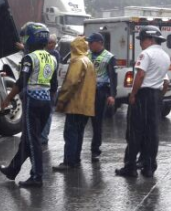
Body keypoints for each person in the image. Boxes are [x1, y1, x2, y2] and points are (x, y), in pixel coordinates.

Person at [0, 23, 57, 187]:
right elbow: (53, 85)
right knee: (28, 139)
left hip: (32, 100)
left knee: (33, 141)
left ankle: (37, 176)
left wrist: (8, 98)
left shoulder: (29, 58)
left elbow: (21, 82)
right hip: (46, 101)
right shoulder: (52, 58)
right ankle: (13, 169)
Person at [116, 26, 170, 178]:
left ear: (150, 39)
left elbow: (140, 75)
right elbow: (166, 83)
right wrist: (159, 97)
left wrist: (133, 94)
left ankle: (130, 167)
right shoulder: (165, 56)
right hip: (156, 96)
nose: (140, 44)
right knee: (152, 133)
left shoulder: (146, 54)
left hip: (143, 95)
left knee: (134, 132)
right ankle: (149, 167)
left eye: (142, 40)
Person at [53, 36, 95, 171]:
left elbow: (71, 83)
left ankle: (68, 161)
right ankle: (75, 160)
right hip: (86, 106)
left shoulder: (77, 61)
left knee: (70, 134)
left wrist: (61, 100)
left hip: (75, 105)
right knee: (79, 133)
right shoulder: (88, 61)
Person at [86, 32, 116, 161]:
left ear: (99, 43)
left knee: (97, 123)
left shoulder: (108, 57)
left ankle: (95, 150)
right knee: (82, 121)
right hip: (86, 91)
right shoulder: (87, 55)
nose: (89, 45)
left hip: (100, 91)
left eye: (91, 43)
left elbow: (113, 77)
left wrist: (112, 95)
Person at [40, 35, 60, 147]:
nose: (52, 45)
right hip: (48, 87)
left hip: (51, 88)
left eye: (53, 43)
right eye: (50, 43)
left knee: (48, 113)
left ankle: (43, 137)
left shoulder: (54, 54)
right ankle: (41, 135)